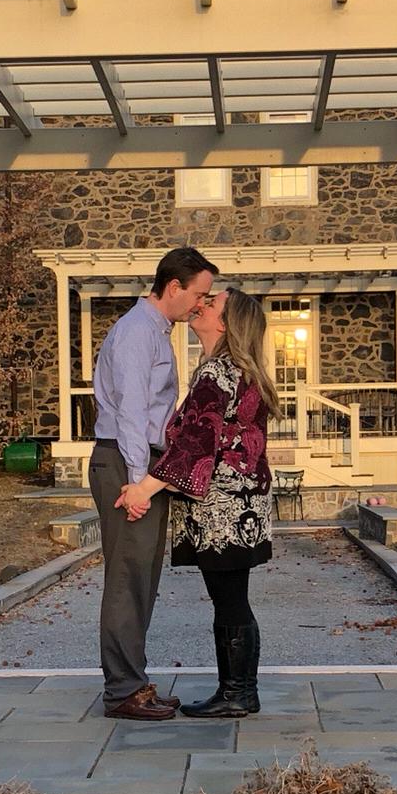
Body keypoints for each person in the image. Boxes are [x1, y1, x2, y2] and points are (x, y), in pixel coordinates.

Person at [119, 286, 278, 719]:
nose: (202, 304)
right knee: (233, 598)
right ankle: (240, 691)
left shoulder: (217, 374)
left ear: (225, 324)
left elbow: (195, 444)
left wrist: (142, 490)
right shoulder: (234, 370)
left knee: (229, 600)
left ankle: (238, 694)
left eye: (213, 303)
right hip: (243, 505)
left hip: (222, 510)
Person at [89, 246, 216, 720]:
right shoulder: (138, 333)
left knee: (141, 580)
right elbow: (132, 412)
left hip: (137, 464)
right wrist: (140, 481)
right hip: (126, 463)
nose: (201, 304)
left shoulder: (156, 331)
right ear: (174, 287)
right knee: (126, 579)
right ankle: (122, 690)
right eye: (199, 294)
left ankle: (134, 682)